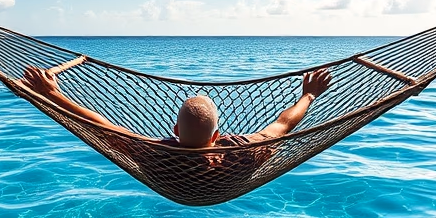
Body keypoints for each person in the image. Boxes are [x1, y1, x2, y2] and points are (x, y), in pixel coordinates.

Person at [18, 66, 333, 150]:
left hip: (168, 173)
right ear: (217, 135)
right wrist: (309, 94)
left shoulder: (155, 153)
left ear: (175, 130)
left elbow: (101, 125)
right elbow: (282, 125)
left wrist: (54, 95)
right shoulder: (239, 152)